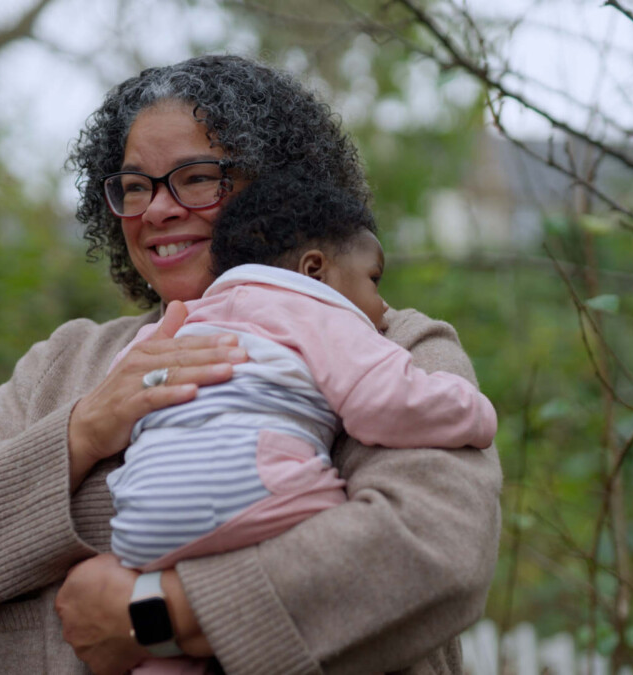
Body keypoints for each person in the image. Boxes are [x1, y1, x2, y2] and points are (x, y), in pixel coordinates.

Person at [0, 54, 502, 675]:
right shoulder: (66, 363)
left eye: (197, 177)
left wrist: (158, 613)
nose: (156, 209)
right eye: (136, 185)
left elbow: (433, 549)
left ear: (281, 191)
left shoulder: (385, 342)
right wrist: (82, 431)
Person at [109, 173, 498, 674]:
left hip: (140, 523)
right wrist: (476, 411)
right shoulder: (320, 312)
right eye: (374, 280)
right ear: (315, 270)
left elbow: (120, 391)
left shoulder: (186, 319)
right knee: (338, 519)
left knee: (168, 658)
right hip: (253, 492)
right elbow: (382, 403)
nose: (381, 308)